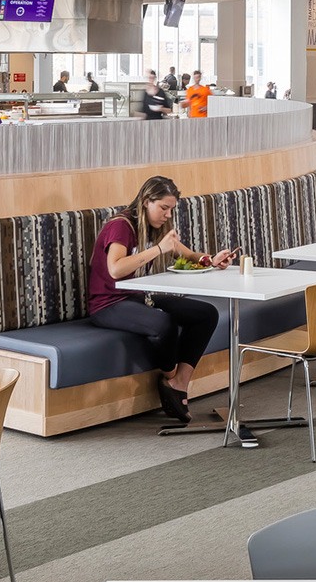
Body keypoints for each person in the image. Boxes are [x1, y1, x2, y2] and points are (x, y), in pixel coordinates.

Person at [88, 176, 231, 424]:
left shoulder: (155, 227)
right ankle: (171, 379)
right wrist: (159, 249)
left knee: (206, 314)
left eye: (171, 209)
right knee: (164, 324)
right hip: (107, 303)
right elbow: (115, 269)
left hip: (138, 296)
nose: (168, 215)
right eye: (163, 208)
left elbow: (188, 255)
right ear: (146, 201)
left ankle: (180, 383)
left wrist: (211, 260)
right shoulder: (121, 226)